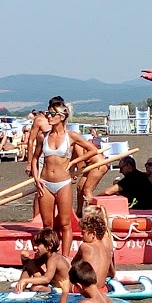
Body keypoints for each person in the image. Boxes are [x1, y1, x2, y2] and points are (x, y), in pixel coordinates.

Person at [32, 100, 96, 252]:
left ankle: (65, 257)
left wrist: (74, 161)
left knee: (65, 223)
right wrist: (36, 177)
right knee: (47, 224)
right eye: (48, 113)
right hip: (45, 182)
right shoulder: (43, 136)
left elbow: (92, 150)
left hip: (63, 183)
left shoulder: (71, 136)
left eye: (52, 114)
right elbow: (35, 157)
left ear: (61, 116)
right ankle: (49, 255)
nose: (48, 116)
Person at [18, 229, 71, 295]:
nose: (35, 247)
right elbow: (28, 266)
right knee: (31, 264)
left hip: (62, 289)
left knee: (36, 287)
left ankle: (19, 291)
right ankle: (18, 291)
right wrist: (24, 258)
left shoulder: (54, 259)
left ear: (49, 246)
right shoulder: (45, 256)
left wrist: (25, 280)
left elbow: (47, 279)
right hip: (52, 285)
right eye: (34, 245)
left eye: (38, 245)